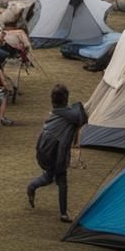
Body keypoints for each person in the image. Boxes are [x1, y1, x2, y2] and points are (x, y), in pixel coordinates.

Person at [28, 84, 88, 223]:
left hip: (43, 150)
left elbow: (76, 113)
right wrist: (62, 164)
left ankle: (31, 187)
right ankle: (63, 214)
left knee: (49, 177)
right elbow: (80, 116)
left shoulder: (56, 113)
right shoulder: (68, 116)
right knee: (62, 181)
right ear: (65, 99)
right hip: (54, 153)